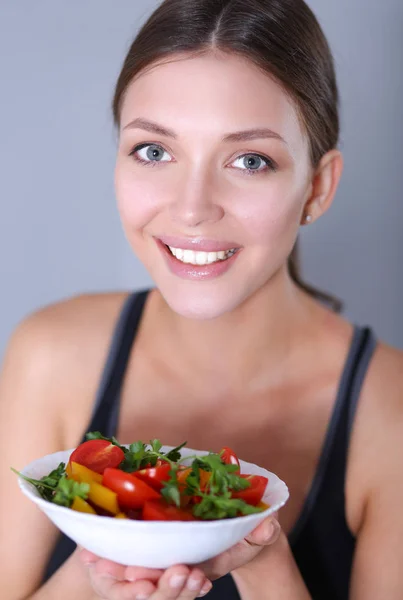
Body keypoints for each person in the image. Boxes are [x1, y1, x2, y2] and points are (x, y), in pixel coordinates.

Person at [1, 0, 403, 598]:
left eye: (250, 160)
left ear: (317, 188)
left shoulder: (390, 412)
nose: (191, 208)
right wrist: (98, 571)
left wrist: (262, 562)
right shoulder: (50, 354)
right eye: (154, 151)